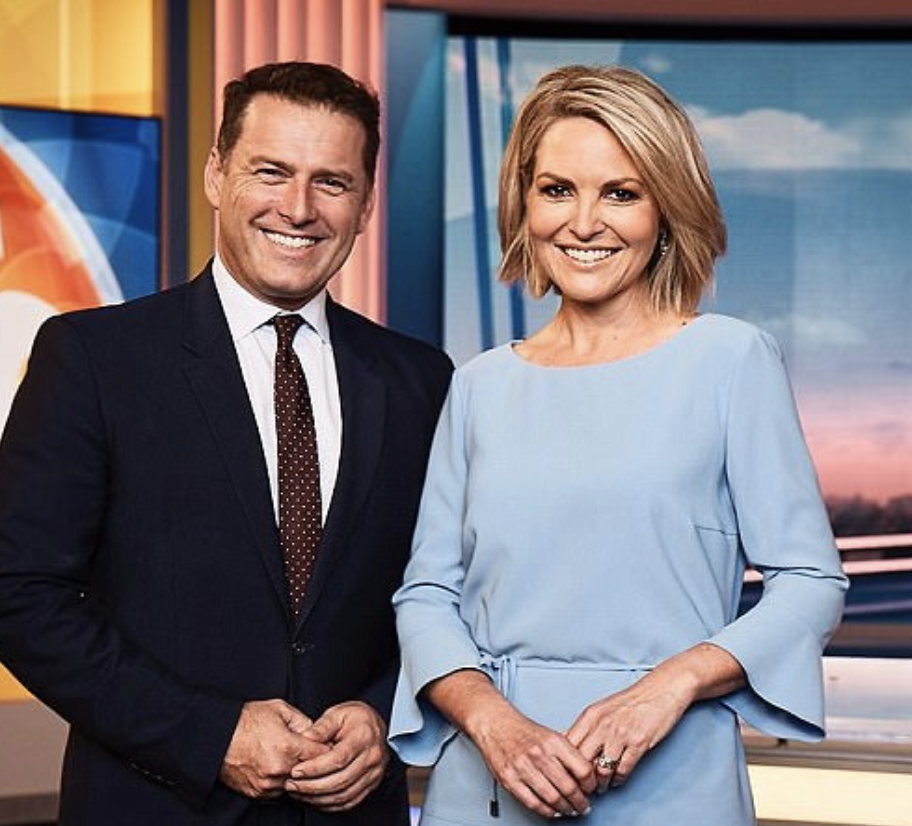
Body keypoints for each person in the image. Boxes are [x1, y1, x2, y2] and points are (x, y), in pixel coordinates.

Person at [388, 65, 848, 825]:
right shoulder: (479, 386)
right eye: (557, 189)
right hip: (489, 779)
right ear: (524, 203)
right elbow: (427, 594)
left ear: (666, 208)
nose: (583, 222)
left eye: (621, 193)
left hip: (672, 775)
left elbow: (809, 581)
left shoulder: (730, 360)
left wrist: (667, 687)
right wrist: (493, 723)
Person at [0, 61, 452, 826]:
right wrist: (211, 735)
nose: (298, 208)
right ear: (217, 174)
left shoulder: (420, 380)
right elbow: (19, 595)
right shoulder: (94, 359)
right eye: (270, 172)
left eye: (331, 182)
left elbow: (440, 592)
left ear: (367, 203)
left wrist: (386, 714)